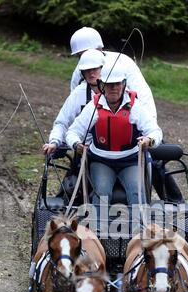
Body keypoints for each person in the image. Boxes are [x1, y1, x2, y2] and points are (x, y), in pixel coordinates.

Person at [66, 59, 162, 206]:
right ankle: (98, 228)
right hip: (100, 161)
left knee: (138, 193)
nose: (114, 88)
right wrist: (76, 144)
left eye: (118, 84)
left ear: (124, 85)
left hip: (130, 160)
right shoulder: (93, 107)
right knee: (102, 193)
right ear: (102, 85)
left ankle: (138, 228)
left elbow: (155, 130)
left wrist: (150, 140)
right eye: (110, 85)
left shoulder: (135, 106)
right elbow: (73, 131)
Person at [69, 27, 157, 119]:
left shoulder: (124, 62)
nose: (86, 59)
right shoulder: (79, 71)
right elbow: (74, 104)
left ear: (100, 49)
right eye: (80, 55)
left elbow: (143, 94)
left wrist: (151, 126)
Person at [42, 49, 105, 156]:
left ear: (103, 69)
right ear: (82, 72)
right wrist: (54, 142)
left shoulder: (116, 91)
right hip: (85, 150)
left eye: (95, 69)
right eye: (87, 69)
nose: (91, 73)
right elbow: (62, 122)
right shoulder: (78, 93)